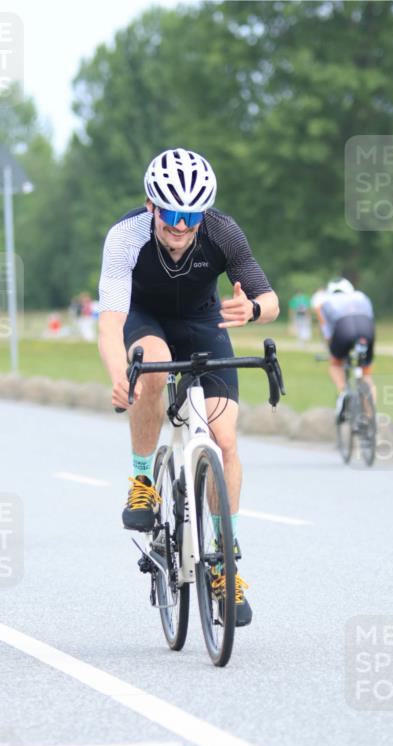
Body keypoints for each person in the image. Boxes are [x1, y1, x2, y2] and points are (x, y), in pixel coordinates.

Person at [97, 147, 279, 627]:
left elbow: (270, 298)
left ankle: (225, 561)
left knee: (225, 441)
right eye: (172, 214)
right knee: (152, 366)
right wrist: (121, 375)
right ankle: (142, 480)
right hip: (144, 318)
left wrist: (253, 311)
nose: (181, 227)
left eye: (191, 216)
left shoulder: (222, 231)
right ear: (152, 206)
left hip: (202, 322)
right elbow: (110, 321)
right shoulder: (125, 237)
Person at [315, 278, 376, 419]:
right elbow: (370, 317)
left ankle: (344, 392)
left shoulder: (326, 302)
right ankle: (370, 417)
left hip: (343, 328)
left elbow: (328, 333)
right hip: (366, 327)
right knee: (366, 374)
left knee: (335, 364)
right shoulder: (361, 296)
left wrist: (333, 352)